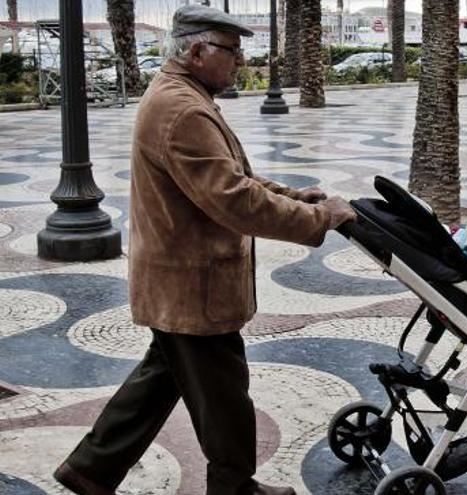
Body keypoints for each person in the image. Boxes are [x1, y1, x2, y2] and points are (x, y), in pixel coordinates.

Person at [53, 5, 356, 495]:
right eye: (233, 52)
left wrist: (296, 198)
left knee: (160, 379)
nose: (239, 62)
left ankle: (89, 470)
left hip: (178, 280)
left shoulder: (180, 96)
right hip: (193, 286)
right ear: (197, 52)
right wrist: (320, 220)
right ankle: (235, 488)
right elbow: (234, 200)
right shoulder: (185, 110)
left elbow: (232, 177)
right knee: (225, 396)